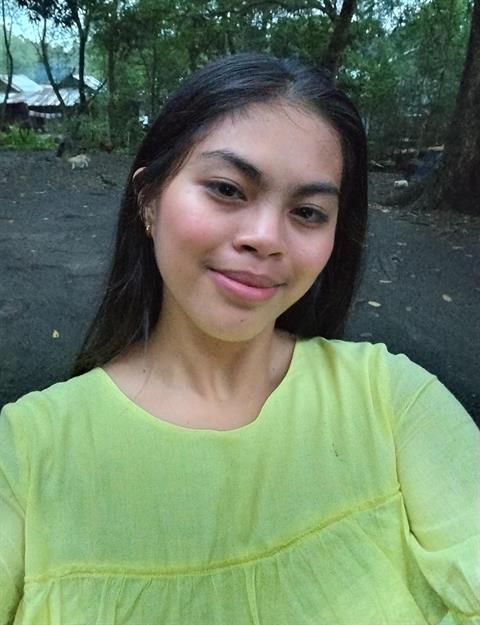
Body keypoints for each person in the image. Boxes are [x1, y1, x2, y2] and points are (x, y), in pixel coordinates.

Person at [0, 53, 479, 625]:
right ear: (148, 200)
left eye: (308, 212)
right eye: (227, 189)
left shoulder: (394, 402)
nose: (265, 238)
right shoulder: (24, 456)